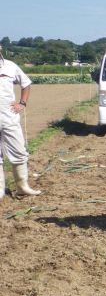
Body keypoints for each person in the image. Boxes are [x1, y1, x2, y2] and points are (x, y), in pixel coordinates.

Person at [0, 43, 42, 201]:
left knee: (19, 152)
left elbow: (26, 83)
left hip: (9, 117)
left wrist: (22, 103)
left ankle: (22, 187)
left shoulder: (10, 66)